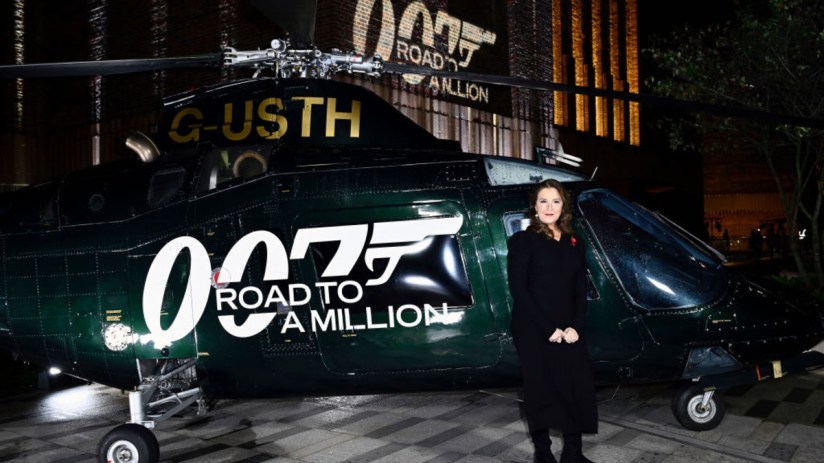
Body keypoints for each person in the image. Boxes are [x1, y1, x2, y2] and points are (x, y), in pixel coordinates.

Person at [507, 179, 598, 463]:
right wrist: (549, 329)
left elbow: (580, 289)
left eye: (555, 201)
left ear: (563, 206)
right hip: (533, 327)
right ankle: (543, 454)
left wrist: (576, 326)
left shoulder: (575, 241)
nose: (549, 207)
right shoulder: (523, 241)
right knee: (540, 389)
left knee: (575, 386)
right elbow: (519, 289)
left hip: (569, 328)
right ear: (534, 207)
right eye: (543, 201)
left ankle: (573, 453)